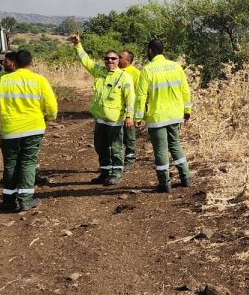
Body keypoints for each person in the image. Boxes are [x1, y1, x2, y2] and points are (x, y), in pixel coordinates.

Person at [0, 49, 57, 212]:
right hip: (34, 129)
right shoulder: (40, 80)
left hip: (10, 130)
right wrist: (50, 117)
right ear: (31, 63)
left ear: (15, 63)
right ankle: (25, 200)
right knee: (28, 162)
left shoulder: (4, 81)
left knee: (10, 164)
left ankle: (9, 201)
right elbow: (51, 106)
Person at [70, 34, 134, 185]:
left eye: (113, 58)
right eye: (107, 58)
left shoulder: (124, 77)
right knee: (101, 147)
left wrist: (129, 116)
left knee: (115, 148)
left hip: (115, 121)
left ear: (119, 61)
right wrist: (78, 45)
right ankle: (105, 173)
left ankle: (116, 173)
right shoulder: (99, 71)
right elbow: (85, 60)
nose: (109, 61)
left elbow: (130, 98)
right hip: (100, 120)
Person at [134, 38, 192, 193]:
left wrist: (138, 117)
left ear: (150, 51)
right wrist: (187, 110)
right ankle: (186, 178)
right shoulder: (176, 67)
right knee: (175, 145)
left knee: (160, 149)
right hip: (175, 115)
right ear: (163, 51)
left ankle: (164, 183)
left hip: (157, 117)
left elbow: (141, 96)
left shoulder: (147, 70)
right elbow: (185, 90)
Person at [119, 49, 142, 169]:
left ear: (127, 60)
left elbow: (139, 95)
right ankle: (117, 160)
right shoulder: (115, 71)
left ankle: (129, 159)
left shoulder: (136, 73)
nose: (117, 58)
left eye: (120, 57)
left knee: (129, 137)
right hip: (116, 111)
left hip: (129, 111)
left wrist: (135, 115)